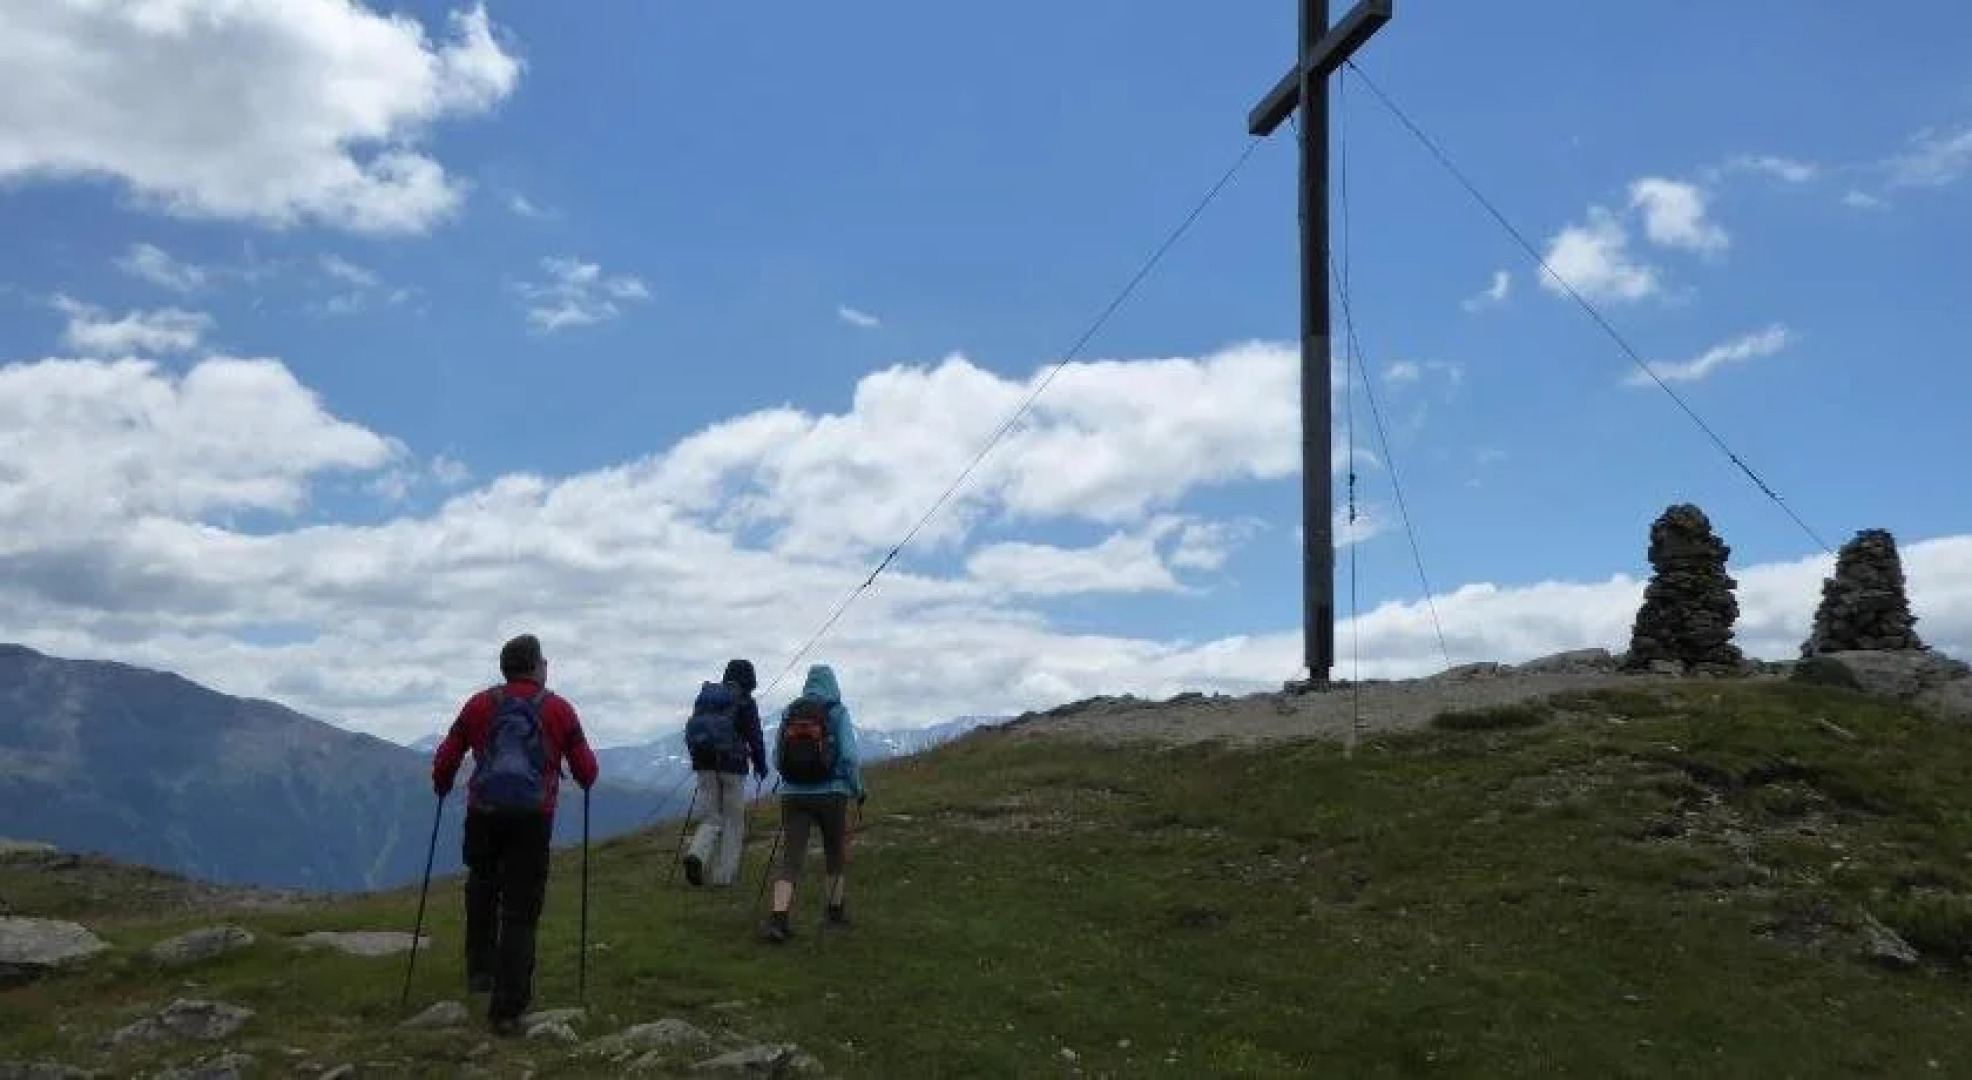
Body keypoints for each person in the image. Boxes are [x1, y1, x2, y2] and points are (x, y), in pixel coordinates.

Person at [430, 633, 599, 1036]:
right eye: (544, 661)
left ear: (505, 668)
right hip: (532, 817)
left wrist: (442, 783)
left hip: (483, 811)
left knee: (482, 886)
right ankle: (507, 1007)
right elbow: (587, 771)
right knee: (521, 909)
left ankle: (480, 972)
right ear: (537, 666)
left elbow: (449, 755)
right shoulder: (558, 709)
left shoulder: (479, 705)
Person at [762, 663, 866, 944]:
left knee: (791, 858)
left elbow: (776, 756)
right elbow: (849, 756)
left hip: (793, 795)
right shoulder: (837, 712)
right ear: (833, 684)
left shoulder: (790, 712)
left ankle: (778, 919)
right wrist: (857, 788)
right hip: (832, 793)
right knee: (834, 853)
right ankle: (834, 912)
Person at [681, 658, 768, 887]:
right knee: (733, 821)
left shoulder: (708, 698)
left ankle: (697, 853)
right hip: (733, 766)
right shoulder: (745, 702)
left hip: (704, 764)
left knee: (711, 816)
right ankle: (724, 876)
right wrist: (761, 765)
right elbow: (754, 737)